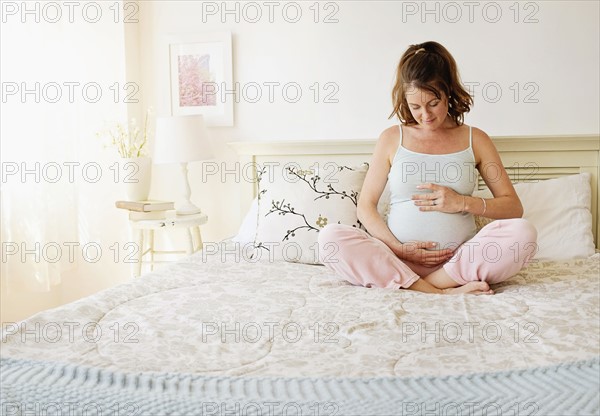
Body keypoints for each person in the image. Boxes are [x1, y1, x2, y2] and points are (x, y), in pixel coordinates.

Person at [317, 41, 537, 295]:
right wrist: (398, 248)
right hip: (397, 259)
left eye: (433, 103)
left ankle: (428, 285)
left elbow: (513, 207)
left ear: (449, 92)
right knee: (330, 238)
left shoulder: (476, 139)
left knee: (523, 233)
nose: (425, 115)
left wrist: (463, 202)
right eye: (415, 107)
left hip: (457, 264)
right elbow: (366, 206)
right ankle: (439, 291)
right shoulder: (391, 138)